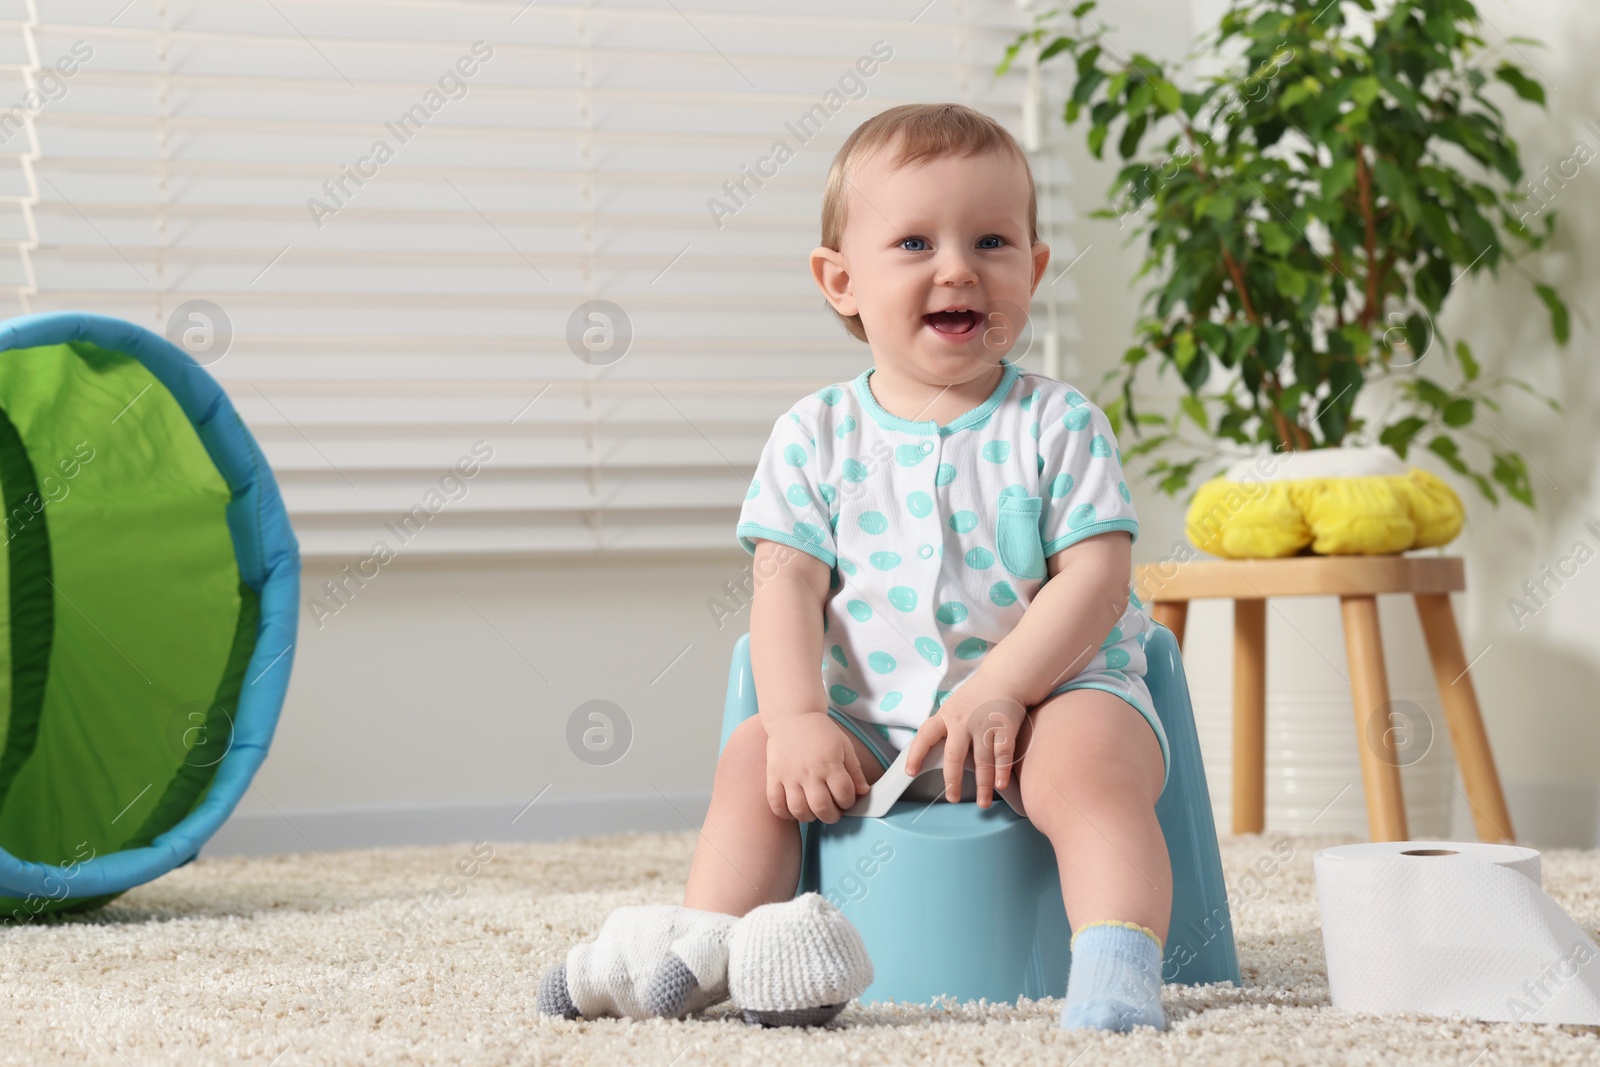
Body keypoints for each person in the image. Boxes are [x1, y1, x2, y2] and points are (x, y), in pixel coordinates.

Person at [698, 101, 1173, 1033]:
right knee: (753, 757)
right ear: (840, 281)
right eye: (914, 243)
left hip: (1047, 699)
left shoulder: (1057, 422)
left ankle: (1118, 966)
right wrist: (796, 720)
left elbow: (1098, 578)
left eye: (992, 241)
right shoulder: (813, 436)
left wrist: (1004, 686)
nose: (958, 267)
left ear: (1033, 270)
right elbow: (784, 584)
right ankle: (710, 948)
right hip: (869, 717)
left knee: (1089, 765)